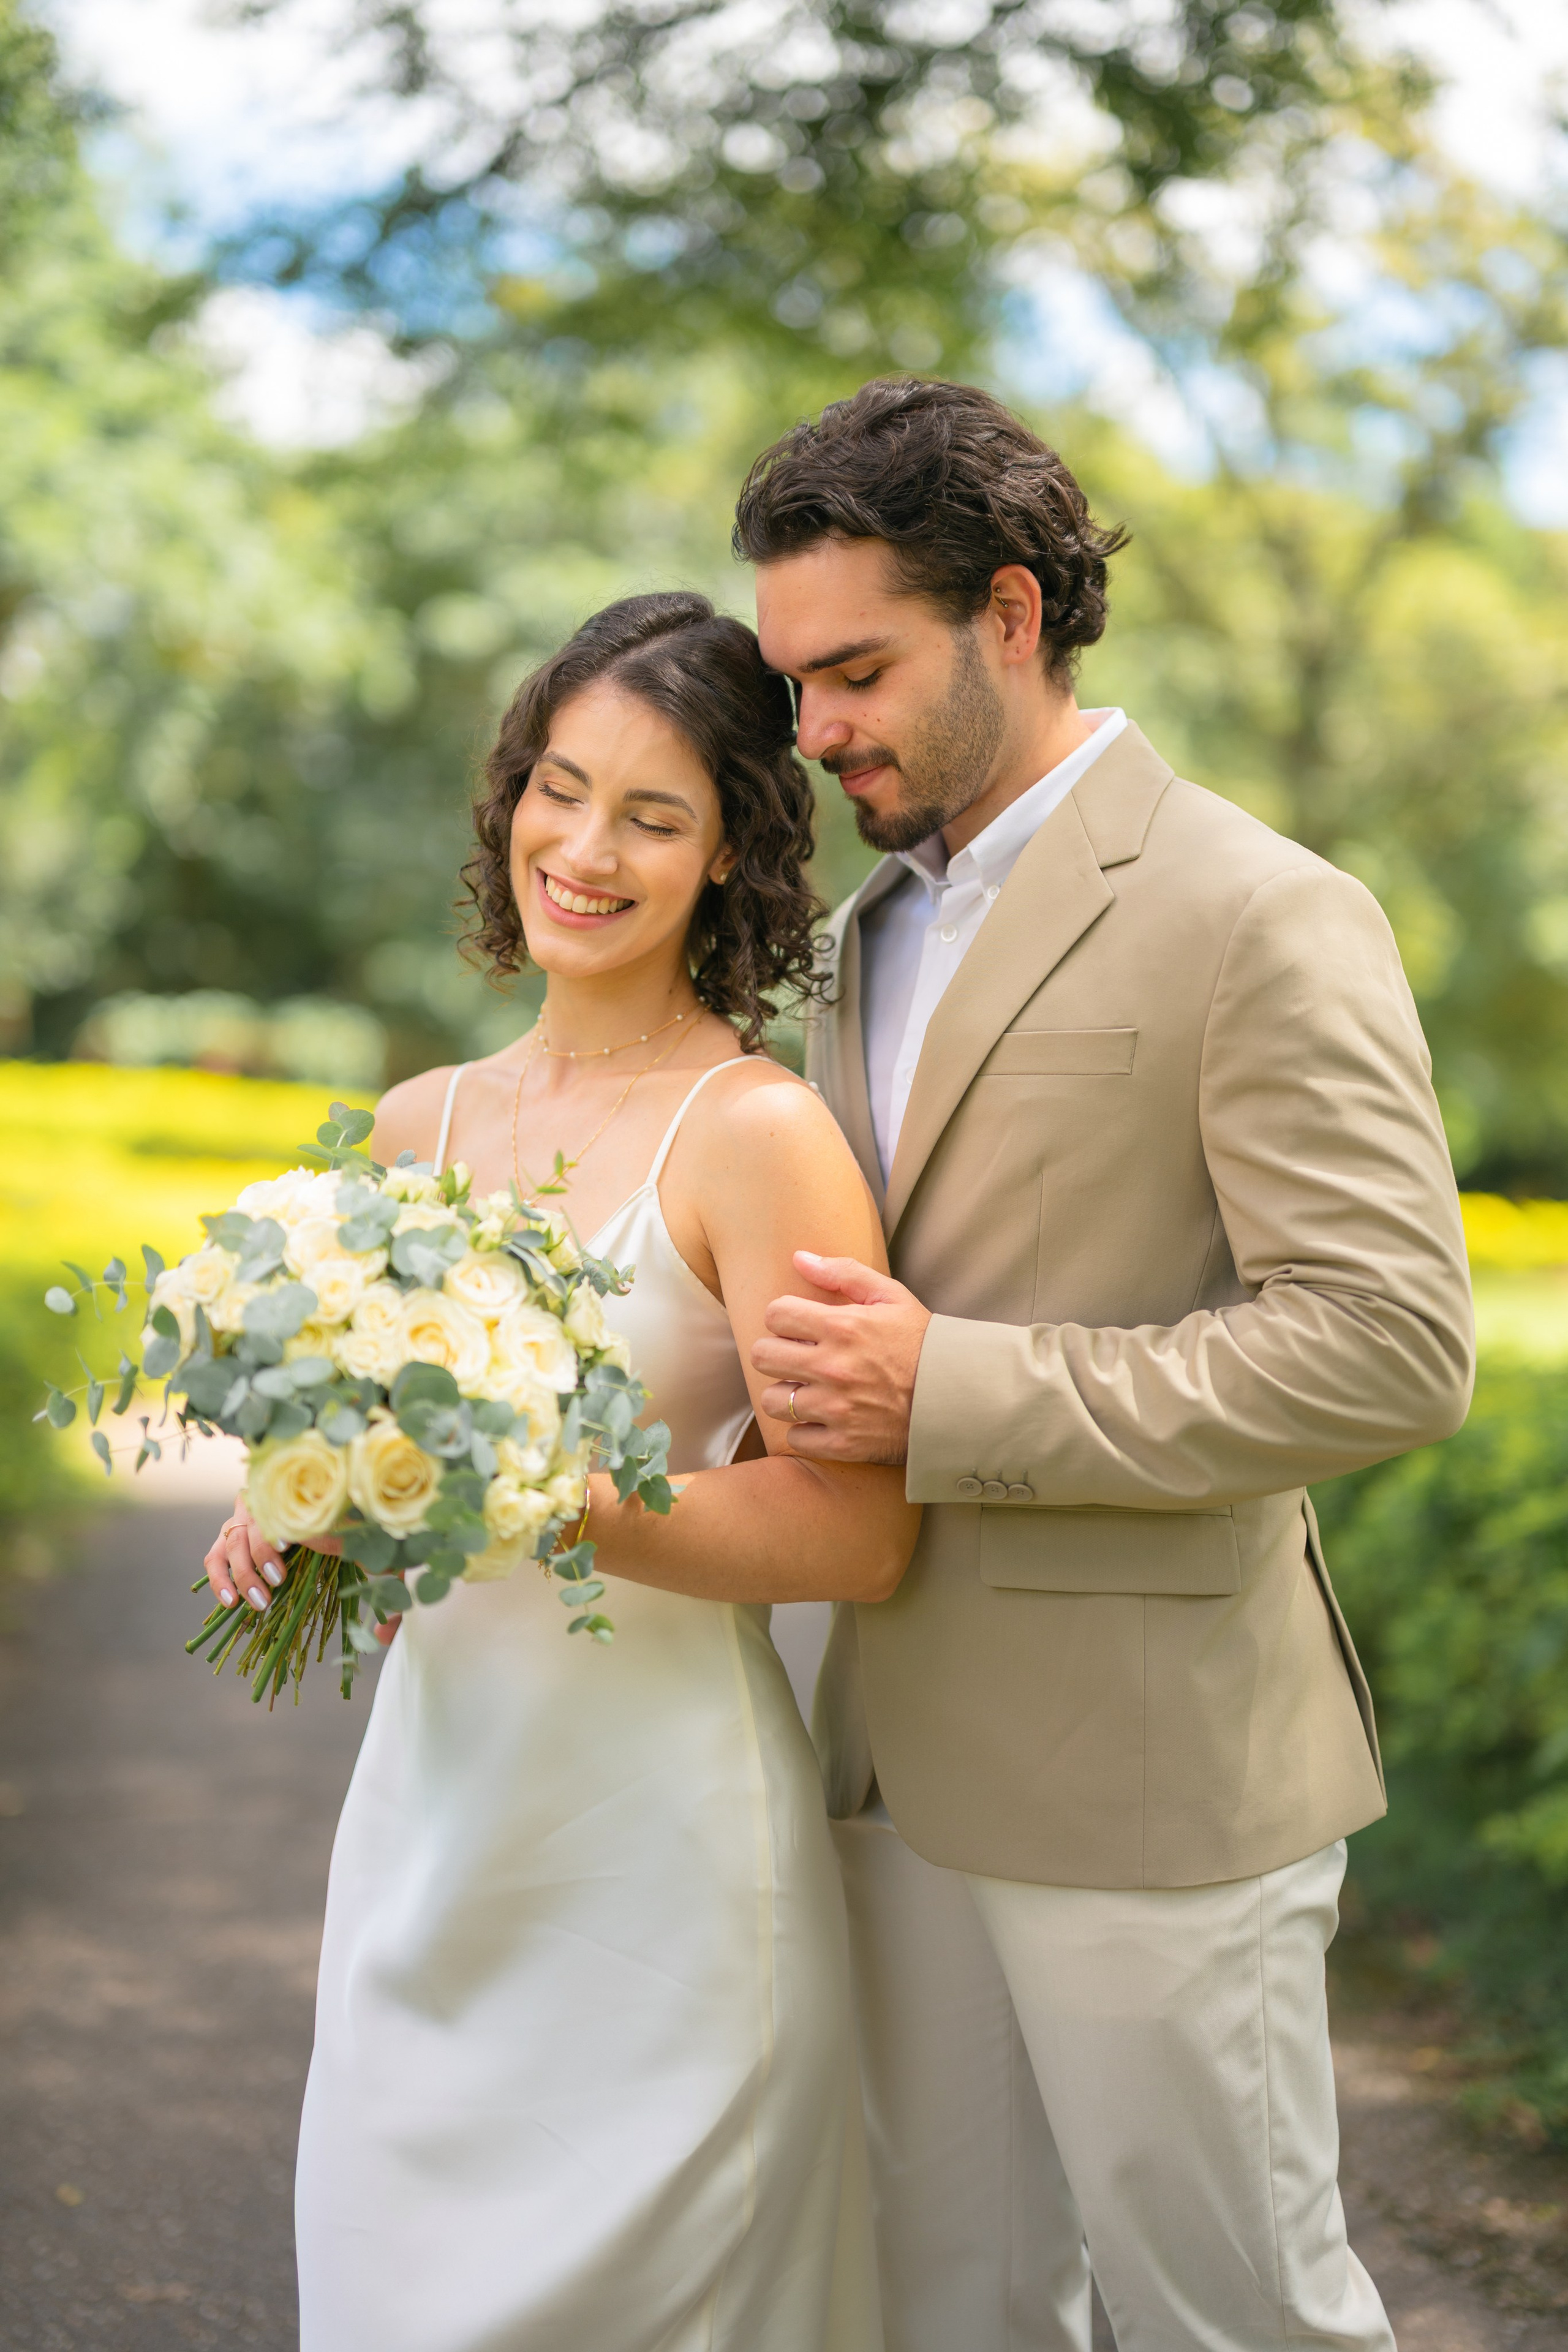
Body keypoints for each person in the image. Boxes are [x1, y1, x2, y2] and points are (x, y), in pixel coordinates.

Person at [737, 378, 1476, 2352]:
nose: (811, 734)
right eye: (789, 682)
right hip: (878, 1758)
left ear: (1008, 614)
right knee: (953, 2309)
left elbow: (1392, 1347)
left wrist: (950, 1395)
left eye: (854, 673)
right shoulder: (857, 931)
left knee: (1235, 2317)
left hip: (1158, 1776)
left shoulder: (1264, 912)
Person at [204, 591, 919, 2352]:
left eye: (653, 816)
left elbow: (861, 1530)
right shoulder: (415, 1125)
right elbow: (395, 1482)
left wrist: (580, 1504)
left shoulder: (757, 1136)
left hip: (660, 1868)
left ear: (733, 853)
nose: (584, 849)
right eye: (561, 786)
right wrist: (306, 1508)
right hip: (435, 1832)